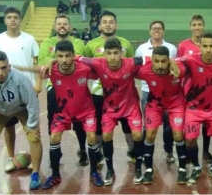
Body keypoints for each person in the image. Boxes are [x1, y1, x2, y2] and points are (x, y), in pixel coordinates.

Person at [78, 37, 145, 185]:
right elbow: (78, 58)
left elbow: (150, 58)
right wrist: (52, 61)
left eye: (116, 53)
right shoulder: (98, 63)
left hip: (131, 106)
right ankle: (110, 170)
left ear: (121, 53)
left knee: (138, 135)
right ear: (104, 54)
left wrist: (172, 62)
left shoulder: (131, 62)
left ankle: (139, 168)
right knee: (106, 136)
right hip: (109, 108)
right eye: (109, 53)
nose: (112, 57)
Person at [0, 51, 42, 193]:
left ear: (9, 66)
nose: (0, 72)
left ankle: (35, 174)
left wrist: (32, 125)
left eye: (4, 68)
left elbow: (32, 103)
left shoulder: (20, 79)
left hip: (21, 107)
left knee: (34, 136)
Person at [41, 40, 103, 189]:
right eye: (60, 56)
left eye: (68, 56)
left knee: (92, 137)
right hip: (62, 112)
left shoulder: (84, 69)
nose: (64, 60)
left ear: (74, 56)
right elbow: (38, 71)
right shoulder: (53, 70)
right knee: (54, 138)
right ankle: (55, 175)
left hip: (86, 111)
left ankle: (94, 172)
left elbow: (100, 69)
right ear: (56, 56)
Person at [0, 6, 39, 172]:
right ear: (5, 20)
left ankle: (36, 165)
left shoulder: (29, 39)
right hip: (5, 94)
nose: (13, 20)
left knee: (32, 129)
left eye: (16, 17)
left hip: (26, 92)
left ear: (20, 20)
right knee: (9, 127)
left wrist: (37, 84)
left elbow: (36, 63)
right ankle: (10, 157)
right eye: (9, 17)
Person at [179, 32, 212, 184]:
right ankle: (196, 166)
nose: (208, 50)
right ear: (200, 47)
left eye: (211, 46)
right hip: (194, 109)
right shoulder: (190, 60)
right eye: (205, 46)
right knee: (190, 140)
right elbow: (174, 61)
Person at [84, 10, 136, 163]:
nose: (108, 25)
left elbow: (131, 65)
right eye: (104, 22)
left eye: (111, 22)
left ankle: (132, 150)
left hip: (123, 93)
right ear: (99, 26)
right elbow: (86, 66)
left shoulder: (125, 43)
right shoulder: (91, 45)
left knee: (127, 123)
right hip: (99, 92)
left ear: (116, 25)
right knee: (99, 124)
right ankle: (99, 154)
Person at [38, 14, 88, 166]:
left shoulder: (78, 42)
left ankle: (82, 149)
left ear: (70, 27)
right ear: (54, 27)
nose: (62, 26)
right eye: (59, 24)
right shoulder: (47, 42)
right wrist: (54, 60)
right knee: (52, 119)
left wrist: (53, 59)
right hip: (55, 87)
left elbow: (77, 58)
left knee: (79, 121)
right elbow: (42, 62)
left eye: (65, 24)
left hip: (77, 88)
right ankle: (55, 150)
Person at [135, 48, 187, 185]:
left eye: (164, 61)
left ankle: (182, 169)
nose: (160, 65)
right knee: (150, 135)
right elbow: (128, 64)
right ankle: (149, 169)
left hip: (176, 104)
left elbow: (192, 61)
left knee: (178, 134)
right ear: (151, 60)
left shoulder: (179, 70)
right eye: (156, 61)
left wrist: (175, 61)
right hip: (155, 105)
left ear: (168, 61)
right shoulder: (144, 71)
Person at [135, 20, 176, 164]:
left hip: (168, 93)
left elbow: (175, 67)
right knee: (148, 126)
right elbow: (137, 68)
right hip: (148, 92)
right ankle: (146, 155)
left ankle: (169, 151)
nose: (156, 31)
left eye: (159, 29)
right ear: (149, 31)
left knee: (168, 125)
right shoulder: (141, 48)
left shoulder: (171, 48)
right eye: (154, 28)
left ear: (163, 31)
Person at [177, 14, 212, 163]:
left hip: (207, 90)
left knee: (206, 122)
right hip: (189, 90)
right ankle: (189, 151)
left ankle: (205, 151)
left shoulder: (208, 45)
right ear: (190, 27)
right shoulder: (183, 45)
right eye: (194, 25)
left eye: (199, 24)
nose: (197, 27)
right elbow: (179, 66)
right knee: (189, 121)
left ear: (203, 26)